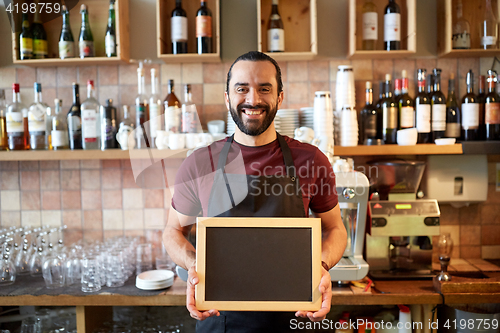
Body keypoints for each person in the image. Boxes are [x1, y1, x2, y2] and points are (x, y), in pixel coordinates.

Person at [163, 51, 347, 332]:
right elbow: (173, 230)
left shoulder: (311, 160)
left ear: (279, 98)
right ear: (227, 98)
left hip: (294, 317)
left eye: (265, 89)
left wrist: (320, 265)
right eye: (242, 89)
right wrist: (194, 265)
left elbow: (335, 229)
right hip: (220, 319)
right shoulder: (201, 162)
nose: (253, 99)